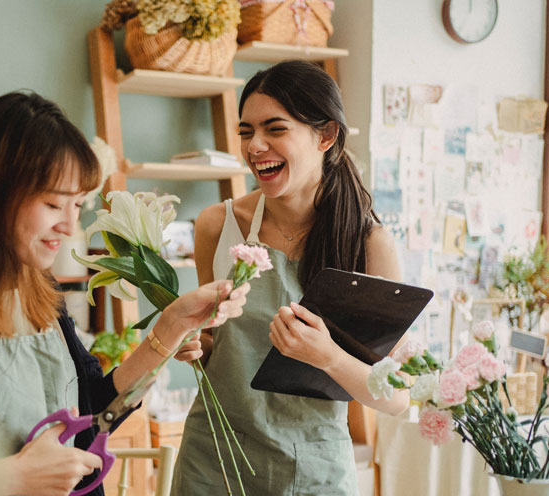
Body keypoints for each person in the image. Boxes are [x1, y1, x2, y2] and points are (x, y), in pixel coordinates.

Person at [0, 91, 250, 496]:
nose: (68, 225)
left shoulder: (38, 287)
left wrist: (171, 328)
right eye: (52, 204)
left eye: (78, 205)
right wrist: (12, 477)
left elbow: (93, 414)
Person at [171, 61, 410, 495]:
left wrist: (328, 357)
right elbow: (217, 347)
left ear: (326, 135)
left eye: (275, 129)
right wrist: (189, 342)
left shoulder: (369, 243)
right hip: (215, 461)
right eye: (246, 132)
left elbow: (395, 397)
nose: (255, 146)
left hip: (314, 471)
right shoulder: (216, 226)